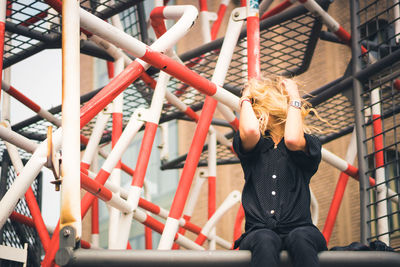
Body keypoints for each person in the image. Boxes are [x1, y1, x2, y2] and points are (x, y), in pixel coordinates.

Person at [233, 74, 327, 267]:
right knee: (265, 239)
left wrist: (293, 95)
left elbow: (292, 139)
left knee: (300, 237)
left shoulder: (307, 144)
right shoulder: (254, 147)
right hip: (258, 232)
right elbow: (250, 130)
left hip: (301, 228)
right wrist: (245, 97)